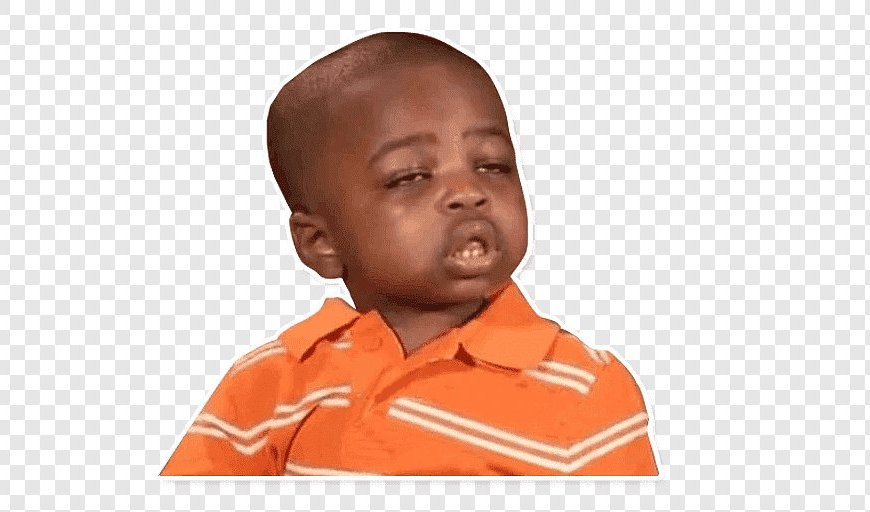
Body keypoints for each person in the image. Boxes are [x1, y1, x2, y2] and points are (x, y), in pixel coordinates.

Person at [160, 31, 659, 476]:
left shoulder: (585, 389)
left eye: (492, 165)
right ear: (321, 243)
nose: (468, 192)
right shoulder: (275, 380)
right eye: (411, 176)